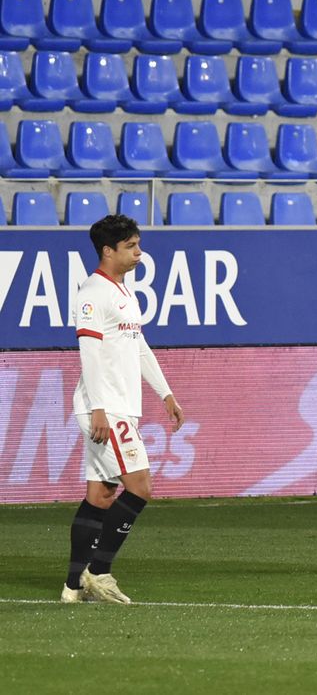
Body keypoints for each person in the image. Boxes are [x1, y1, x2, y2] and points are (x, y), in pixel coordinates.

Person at [62, 214, 184, 605]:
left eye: (138, 244)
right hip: (106, 407)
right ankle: (99, 573)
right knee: (140, 487)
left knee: (100, 495)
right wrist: (99, 408)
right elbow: (90, 353)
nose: (139, 253)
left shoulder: (124, 291)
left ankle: (73, 587)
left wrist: (165, 393)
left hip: (118, 405)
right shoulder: (93, 293)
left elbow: (139, 346)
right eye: (131, 246)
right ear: (108, 250)